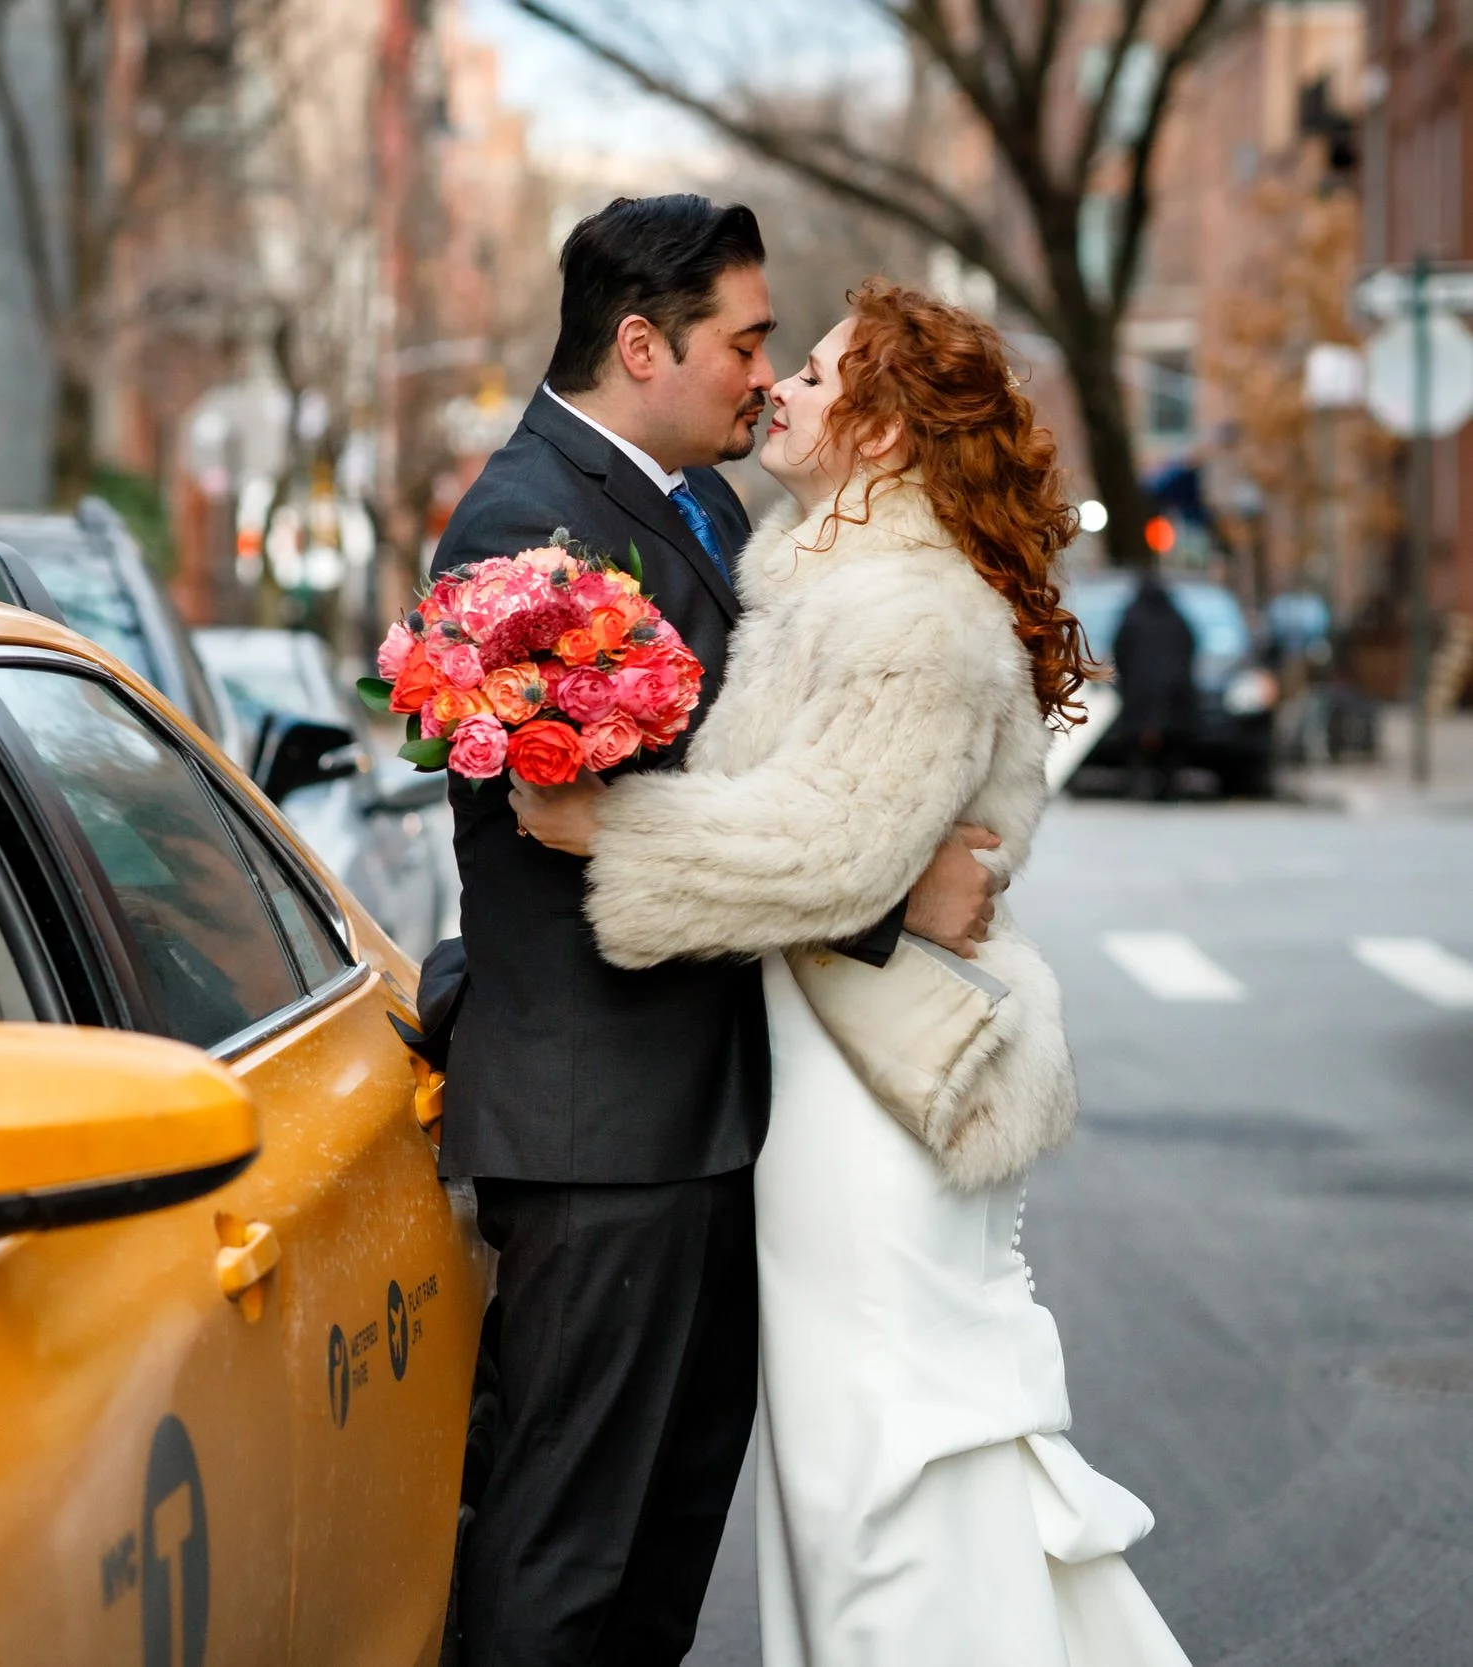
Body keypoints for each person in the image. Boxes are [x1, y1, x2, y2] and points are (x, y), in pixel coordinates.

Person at [514, 281, 1190, 1666]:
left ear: (881, 435)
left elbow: (830, 847)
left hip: (874, 1090)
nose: (780, 390)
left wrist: (609, 828)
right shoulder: (840, 576)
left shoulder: (903, 605)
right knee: (875, 1454)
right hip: (837, 1064)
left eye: (814, 375)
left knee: (886, 1458)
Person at [427, 196, 1004, 1666]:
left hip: (706, 1116)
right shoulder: (524, 528)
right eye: (748, 342)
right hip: (600, 1125)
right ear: (641, 343)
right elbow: (615, 833)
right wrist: (893, 894)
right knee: (565, 1546)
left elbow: (756, 778)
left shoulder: (704, 505)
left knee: (664, 1543)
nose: (763, 374)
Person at [1112, 571, 1198, 800]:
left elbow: (1119, 652)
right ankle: (1169, 785)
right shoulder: (1177, 619)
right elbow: (1191, 648)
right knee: (1172, 746)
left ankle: (1139, 783)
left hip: (1139, 694)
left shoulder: (1131, 619)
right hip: (1174, 694)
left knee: (1138, 746)